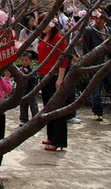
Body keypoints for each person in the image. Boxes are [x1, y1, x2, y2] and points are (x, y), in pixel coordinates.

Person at [37, 20, 68, 151]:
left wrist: (60, 78)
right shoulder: (43, 37)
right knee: (48, 107)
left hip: (54, 76)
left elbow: (63, 59)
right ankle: (51, 136)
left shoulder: (59, 39)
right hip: (44, 75)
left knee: (57, 107)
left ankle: (58, 140)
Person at [82, 10, 111, 122]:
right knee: (96, 90)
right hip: (96, 64)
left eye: (101, 18)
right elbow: (86, 49)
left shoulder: (109, 31)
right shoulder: (89, 30)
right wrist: (88, 63)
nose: (98, 21)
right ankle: (97, 112)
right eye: (97, 18)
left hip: (108, 64)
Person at [17, 52, 39, 126]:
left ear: (30, 61)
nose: (24, 62)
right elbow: (16, 79)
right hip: (23, 91)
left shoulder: (33, 69)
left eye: (26, 60)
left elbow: (34, 79)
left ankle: (36, 119)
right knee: (23, 105)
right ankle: (23, 120)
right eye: (22, 60)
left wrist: (28, 73)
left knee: (33, 105)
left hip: (31, 90)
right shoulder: (19, 69)